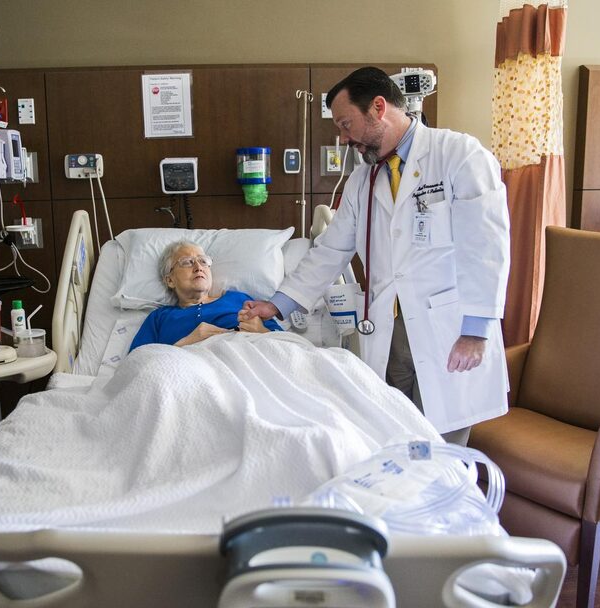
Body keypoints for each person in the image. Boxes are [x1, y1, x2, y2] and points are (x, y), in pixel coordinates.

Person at [239, 67, 510, 446]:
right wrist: (279, 304)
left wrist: (475, 330)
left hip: (449, 327)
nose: (343, 137)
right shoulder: (361, 180)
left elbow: (487, 246)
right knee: (395, 437)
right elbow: (331, 250)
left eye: (346, 124)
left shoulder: (457, 155)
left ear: (379, 108)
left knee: (442, 448)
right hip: (390, 325)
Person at [129, 240, 282, 351]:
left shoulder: (238, 299)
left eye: (203, 261)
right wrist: (187, 343)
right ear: (170, 280)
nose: (198, 267)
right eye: (187, 262)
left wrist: (261, 331)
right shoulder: (159, 318)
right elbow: (136, 364)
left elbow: (286, 346)